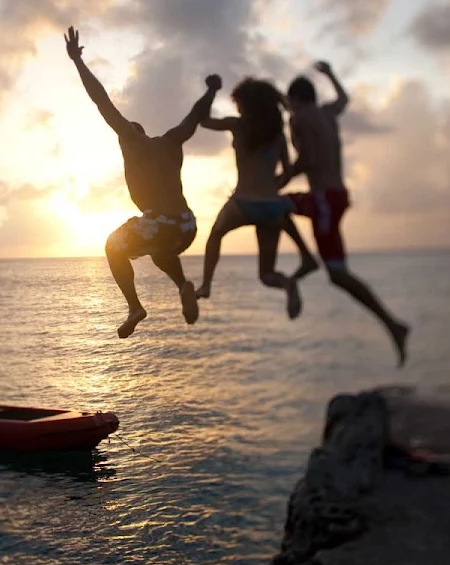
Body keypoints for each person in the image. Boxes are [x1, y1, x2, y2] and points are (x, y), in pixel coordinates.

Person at [64, 26, 220, 339]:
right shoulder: (170, 142)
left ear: (130, 137)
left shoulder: (131, 141)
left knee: (113, 245)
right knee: (159, 251)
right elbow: (193, 117)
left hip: (160, 223)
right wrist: (212, 91)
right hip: (187, 226)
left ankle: (135, 307)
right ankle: (183, 286)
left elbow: (101, 100)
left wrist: (78, 63)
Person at [279, 61, 411, 367]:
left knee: (276, 206)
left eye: (289, 103)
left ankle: (306, 260)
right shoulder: (326, 114)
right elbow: (343, 100)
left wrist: (280, 178)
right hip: (337, 196)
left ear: (295, 99)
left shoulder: (299, 119)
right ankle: (393, 325)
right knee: (338, 274)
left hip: (323, 199)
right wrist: (330, 75)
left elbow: (307, 159)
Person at [195, 78, 318, 318]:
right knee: (267, 275)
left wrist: (212, 91)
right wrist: (274, 185)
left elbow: (203, 121)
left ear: (247, 105)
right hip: (272, 207)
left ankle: (206, 285)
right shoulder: (278, 136)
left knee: (216, 234)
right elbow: (289, 171)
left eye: (238, 103)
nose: (237, 108)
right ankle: (288, 284)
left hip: (243, 203)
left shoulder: (238, 126)